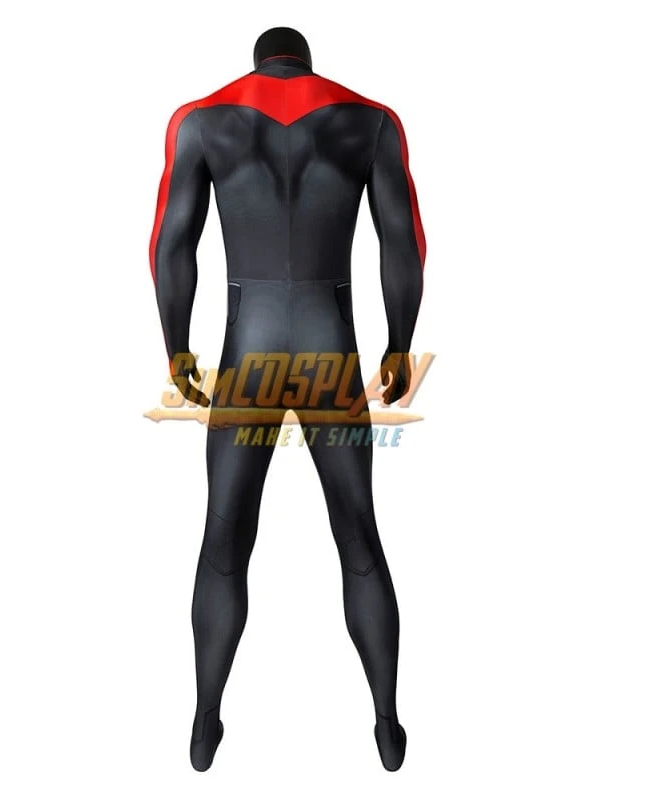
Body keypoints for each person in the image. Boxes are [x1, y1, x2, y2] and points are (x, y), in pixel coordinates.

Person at [148, 26, 426, 771]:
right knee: (359, 533)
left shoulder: (201, 120)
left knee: (224, 536)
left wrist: (177, 346)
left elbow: (171, 246)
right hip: (331, 344)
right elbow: (403, 242)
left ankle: (205, 720)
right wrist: (400, 344)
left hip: (250, 350)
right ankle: (387, 722)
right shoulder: (370, 120)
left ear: (258, 60)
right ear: (306, 60)